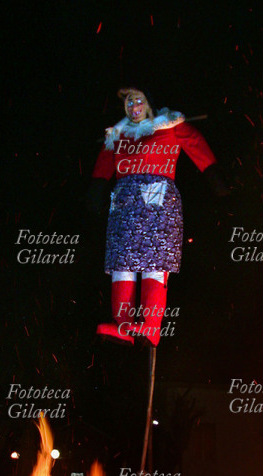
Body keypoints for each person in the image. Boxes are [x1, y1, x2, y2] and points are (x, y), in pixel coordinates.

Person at [90, 87, 227, 347]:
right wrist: (97, 186)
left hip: (158, 201)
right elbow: (106, 159)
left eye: (138, 101)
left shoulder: (169, 125)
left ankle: (150, 327)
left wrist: (213, 175)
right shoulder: (119, 134)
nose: (133, 106)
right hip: (124, 205)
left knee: (155, 261)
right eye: (129, 103)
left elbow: (195, 143)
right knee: (122, 265)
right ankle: (123, 326)